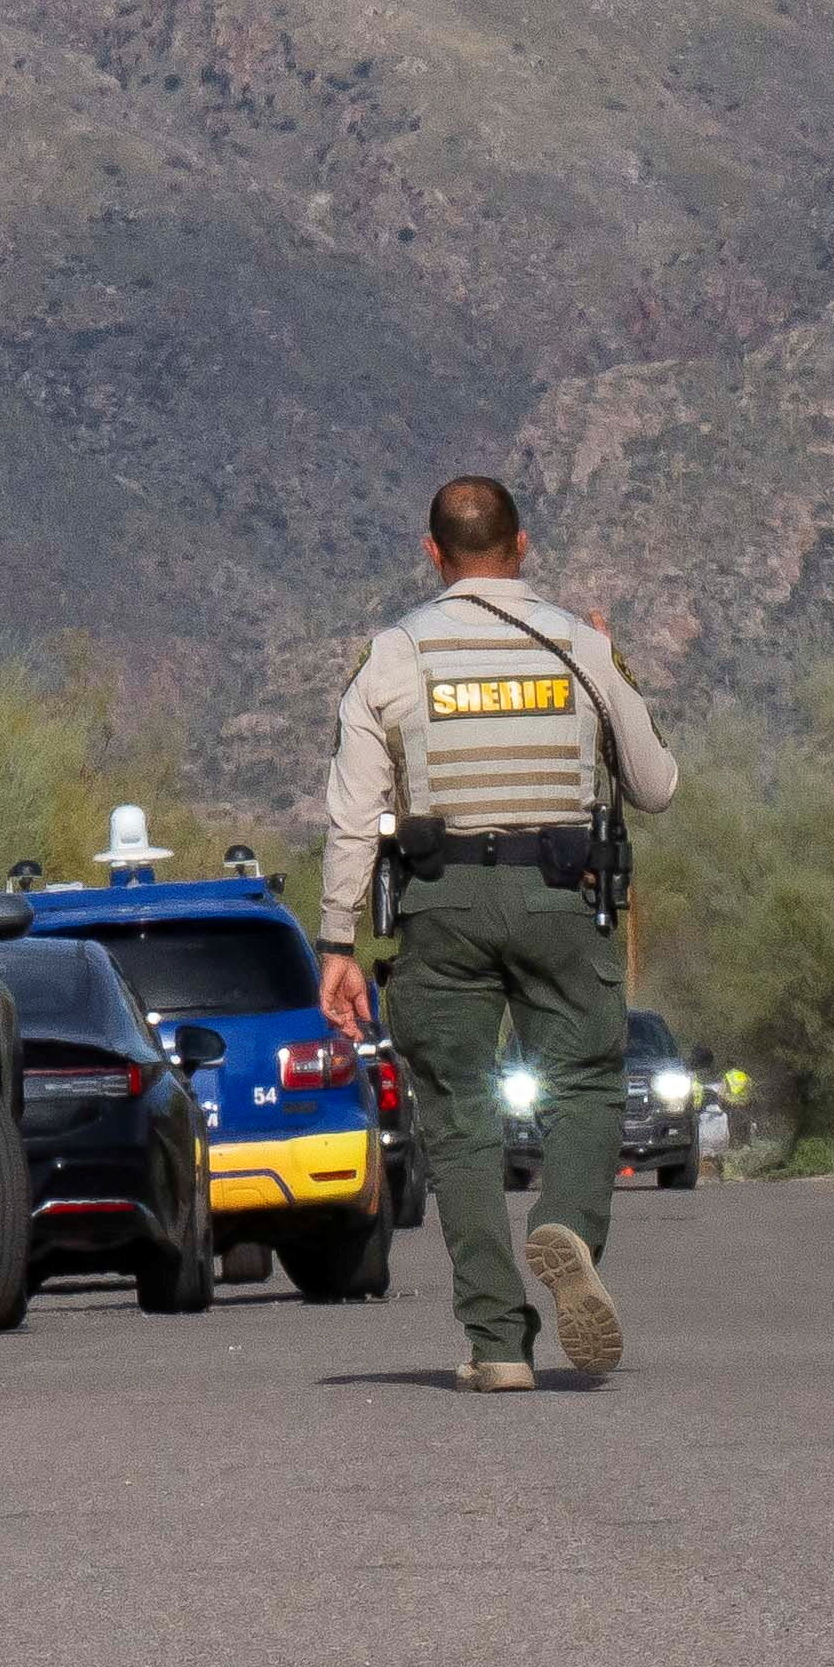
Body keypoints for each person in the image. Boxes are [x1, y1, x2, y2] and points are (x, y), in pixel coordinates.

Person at [313, 474, 677, 1395]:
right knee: (585, 1085)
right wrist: (616, 671)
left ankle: (498, 1344)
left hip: (440, 905)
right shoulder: (581, 646)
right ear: (522, 547)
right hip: (562, 896)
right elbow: (656, 785)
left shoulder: (393, 657)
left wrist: (337, 946)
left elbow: (353, 819)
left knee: (459, 1116)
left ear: (432, 553)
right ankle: (568, 1227)